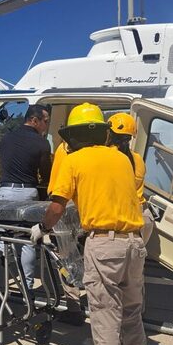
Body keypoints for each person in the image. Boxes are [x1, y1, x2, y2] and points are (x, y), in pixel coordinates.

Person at [31, 111, 147, 345]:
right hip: (135, 243)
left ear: (73, 135)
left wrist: (42, 228)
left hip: (105, 245)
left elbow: (57, 207)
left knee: (106, 318)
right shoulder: (123, 159)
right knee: (132, 314)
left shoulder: (74, 160)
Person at [46, 103, 106, 326]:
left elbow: (59, 190)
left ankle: (73, 307)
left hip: (65, 207)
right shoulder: (105, 154)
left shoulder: (66, 150)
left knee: (67, 259)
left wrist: (45, 224)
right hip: (87, 209)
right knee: (85, 259)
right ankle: (94, 302)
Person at [0, 104, 52, 302]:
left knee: (2, 241)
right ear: (34, 120)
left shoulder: (6, 139)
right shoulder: (42, 144)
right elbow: (46, 175)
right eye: (45, 121)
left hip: (4, 192)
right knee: (27, 242)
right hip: (27, 193)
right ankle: (27, 290)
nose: (46, 126)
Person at [107, 113, 155, 243]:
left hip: (125, 221)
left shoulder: (107, 157)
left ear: (109, 133)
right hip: (143, 216)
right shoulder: (137, 158)